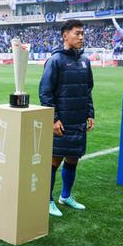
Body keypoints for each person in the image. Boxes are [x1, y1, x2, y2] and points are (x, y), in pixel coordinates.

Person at [39, 19, 94, 217]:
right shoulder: (55, 60)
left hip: (78, 120)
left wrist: (90, 113)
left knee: (73, 159)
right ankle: (47, 200)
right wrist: (53, 119)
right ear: (65, 36)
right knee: (54, 162)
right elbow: (45, 92)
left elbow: (87, 90)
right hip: (61, 121)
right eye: (77, 33)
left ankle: (66, 196)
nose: (81, 37)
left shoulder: (85, 61)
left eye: (82, 34)